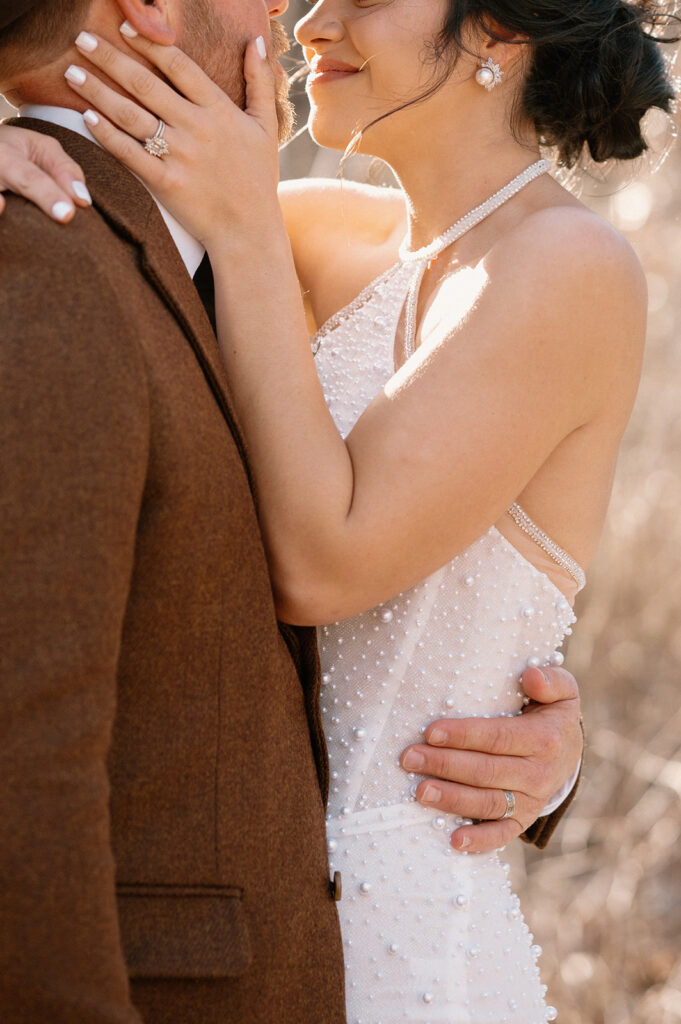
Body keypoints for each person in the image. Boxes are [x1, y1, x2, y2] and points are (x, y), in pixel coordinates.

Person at [0, 1, 592, 1022]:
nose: (301, 11)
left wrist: (526, 727)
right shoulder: (237, 235)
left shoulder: (260, 240)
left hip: (391, 931)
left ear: (498, 29)